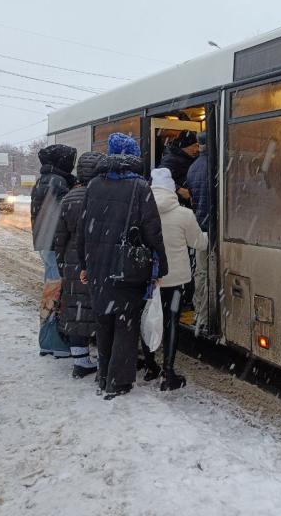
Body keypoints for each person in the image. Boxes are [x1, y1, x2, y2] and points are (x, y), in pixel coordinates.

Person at [77, 133, 168, 398]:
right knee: (125, 325)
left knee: (103, 322)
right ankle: (118, 381)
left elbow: (84, 229)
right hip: (127, 269)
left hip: (97, 267)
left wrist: (84, 263)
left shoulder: (94, 184)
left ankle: (103, 375)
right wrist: (160, 267)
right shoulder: (140, 187)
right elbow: (153, 231)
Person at [150, 168, 207, 390]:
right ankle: (168, 372)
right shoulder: (184, 214)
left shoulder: (142, 210)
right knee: (171, 320)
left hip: (150, 279)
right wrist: (210, 235)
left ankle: (150, 366)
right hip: (175, 281)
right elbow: (199, 243)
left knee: (150, 318)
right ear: (172, 189)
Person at [54, 151, 104, 379]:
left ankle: (80, 361)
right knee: (99, 310)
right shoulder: (101, 196)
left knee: (76, 311)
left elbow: (59, 238)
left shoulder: (69, 198)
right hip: (96, 260)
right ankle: (104, 360)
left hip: (73, 263)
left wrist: (63, 263)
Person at [31, 144, 77, 283]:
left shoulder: (46, 179)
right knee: (55, 276)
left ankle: (50, 302)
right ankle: (51, 303)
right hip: (52, 236)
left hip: (45, 236)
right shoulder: (56, 181)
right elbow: (66, 208)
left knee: (51, 272)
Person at [185, 131, 209, 333]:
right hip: (215, 228)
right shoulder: (215, 164)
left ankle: (198, 313)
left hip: (200, 226)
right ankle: (205, 316)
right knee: (211, 272)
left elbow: (192, 198)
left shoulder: (192, 168)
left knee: (201, 272)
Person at [159, 130, 199, 202]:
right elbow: (159, 178)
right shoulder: (171, 159)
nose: (196, 150)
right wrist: (179, 189)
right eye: (193, 146)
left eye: (197, 146)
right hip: (176, 202)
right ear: (184, 146)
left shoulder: (191, 158)